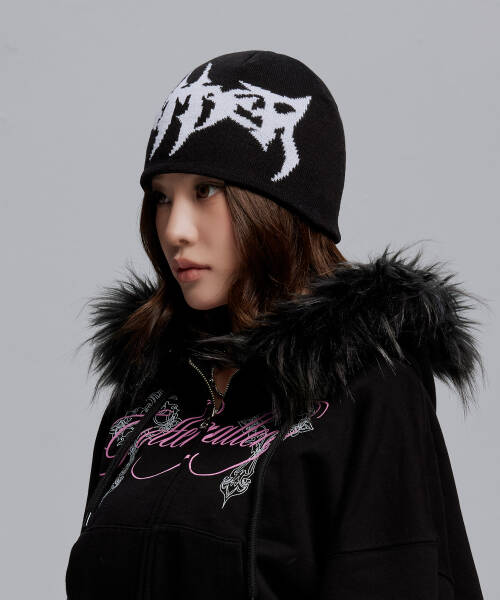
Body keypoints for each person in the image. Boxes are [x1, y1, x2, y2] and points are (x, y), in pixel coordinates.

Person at [65, 50, 486, 599]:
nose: (175, 229)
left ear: (280, 206)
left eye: (205, 191)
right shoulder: (148, 388)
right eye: (162, 197)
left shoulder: (370, 390)